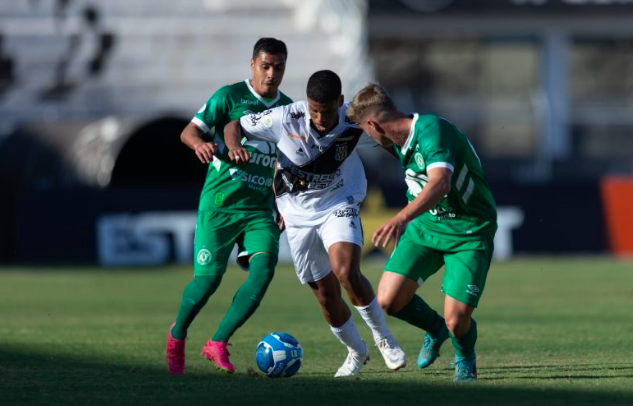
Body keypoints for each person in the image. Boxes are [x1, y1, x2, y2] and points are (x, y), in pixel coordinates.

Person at [223, 70, 406, 378]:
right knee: (325, 294)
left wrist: (406, 158)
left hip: (340, 202)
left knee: (347, 270)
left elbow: (392, 138)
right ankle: (356, 352)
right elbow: (233, 126)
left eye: (327, 110)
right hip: (295, 215)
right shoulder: (284, 118)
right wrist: (233, 147)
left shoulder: (353, 121)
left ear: (341, 102)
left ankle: (384, 338)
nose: (320, 118)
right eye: (314, 110)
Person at [346, 83, 497, 382]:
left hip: (469, 230)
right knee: (388, 300)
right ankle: (434, 329)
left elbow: (440, 183)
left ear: (374, 124)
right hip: (426, 226)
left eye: (366, 130)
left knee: (458, 320)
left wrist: (400, 218)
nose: (368, 137)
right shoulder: (395, 139)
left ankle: (465, 356)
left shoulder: (433, 131)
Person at [165, 38, 293, 375]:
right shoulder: (230, 96)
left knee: (264, 271)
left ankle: (217, 342)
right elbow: (188, 132)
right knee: (207, 282)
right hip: (220, 204)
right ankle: (177, 336)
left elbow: (287, 161)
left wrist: (283, 200)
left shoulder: (289, 109)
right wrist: (200, 145)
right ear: (252, 64)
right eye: (265, 66)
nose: (271, 73)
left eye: (278, 67)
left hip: (258, 209)